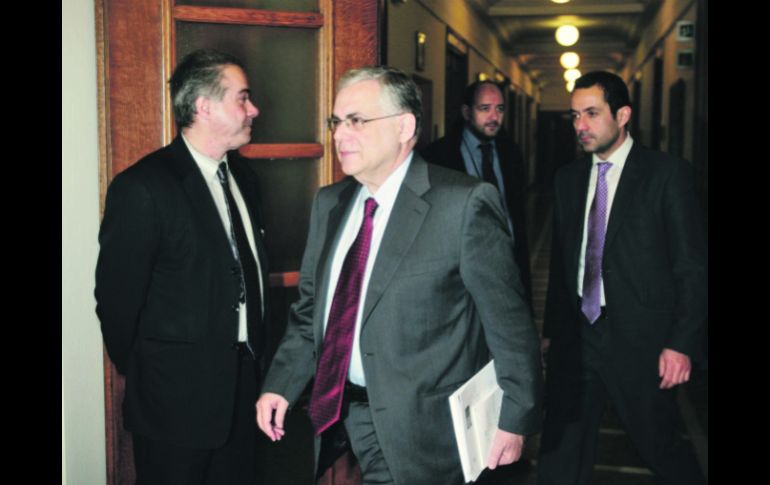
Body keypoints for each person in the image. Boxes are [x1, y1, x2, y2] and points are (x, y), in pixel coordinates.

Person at [256, 66, 542, 485]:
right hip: (337, 421)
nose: (339, 134)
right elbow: (310, 311)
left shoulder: (463, 205)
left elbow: (509, 325)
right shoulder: (330, 203)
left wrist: (515, 418)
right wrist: (281, 383)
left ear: (404, 127)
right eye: (336, 121)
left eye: (356, 120)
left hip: (423, 431)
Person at [95, 49, 269, 485]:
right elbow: (116, 304)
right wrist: (154, 371)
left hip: (244, 394)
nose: (254, 109)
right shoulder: (143, 187)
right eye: (242, 98)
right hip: (173, 405)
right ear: (204, 106)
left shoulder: (245, 179)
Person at [538, 71, 707, 485]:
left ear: (623, 115)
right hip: (577, 340)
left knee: (660, 447)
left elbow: (692, 266)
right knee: (561, 451)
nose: (580, 125)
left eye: (592, 113)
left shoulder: (667, 175)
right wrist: (552, 333)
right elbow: (564, 265)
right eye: (575, 115)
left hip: (640, 341)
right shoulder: (568, 179)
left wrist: (681, 344)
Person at [421, 80, 532, 306]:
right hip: (459, 272)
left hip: (507, 263)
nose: (494, 117)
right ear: (467, 112)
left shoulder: (511, 153)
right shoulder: (438, 156)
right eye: (485, 108)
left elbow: (516, 214)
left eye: (499, 109)